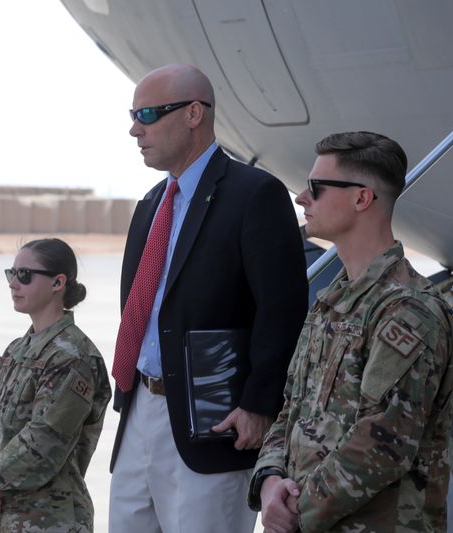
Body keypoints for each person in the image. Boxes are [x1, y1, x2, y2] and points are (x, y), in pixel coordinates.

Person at [108, 64, 308, 532]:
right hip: (139, 410)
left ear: (194, 113)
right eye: (134, 115)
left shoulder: (254, 194)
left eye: (148, 114)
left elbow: (282, 310)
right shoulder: (151, 203)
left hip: (213, 423)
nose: (135, 128)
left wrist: (260, 404)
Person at [249, 131, 453, 532]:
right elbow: (292, 408)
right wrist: (269, 480)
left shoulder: (408, 311)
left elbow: (383, 444)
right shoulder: (334, 299)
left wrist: (297, 511)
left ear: (361, 198)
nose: (302, 197)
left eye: (316, 187)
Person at [0, 238, 111, 532]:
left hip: (50, 520)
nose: (13, 283)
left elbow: (45, 440)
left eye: (25, 275)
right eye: (12, 273)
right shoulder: (18, 350)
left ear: (58, 283)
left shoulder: (72, 356)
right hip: (4, 516)